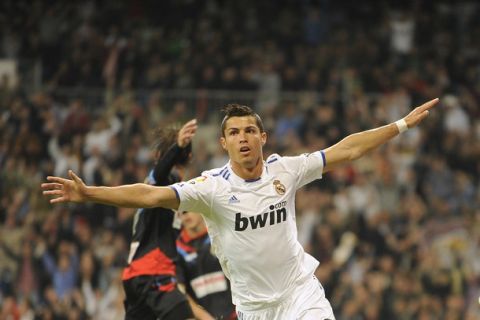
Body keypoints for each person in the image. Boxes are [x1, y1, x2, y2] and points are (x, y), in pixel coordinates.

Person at [42, 98, 439, 319]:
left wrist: (400, 125)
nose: (243, 137)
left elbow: (346, 150)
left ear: (263, 137)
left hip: (300, 294)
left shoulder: (287, 170)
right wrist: (89, 193)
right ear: (224, 143)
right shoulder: (211, 189)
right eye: (234, 132)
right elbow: (149, 195)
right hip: (252, 310)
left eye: (250, 130)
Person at [121, 119, 198, 320]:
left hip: (137, 277)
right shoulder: (165, 183)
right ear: (188, 156)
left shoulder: (176, 194)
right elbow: (160, 174)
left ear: (156, 155)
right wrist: (178, 147)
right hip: (153, 272)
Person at [176, 211, 237, 319]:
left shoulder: (220, 235)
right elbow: (180, 291)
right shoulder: (177, 249)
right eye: (180, 212)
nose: (184, 213)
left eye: (188, 208)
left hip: (238, 313)